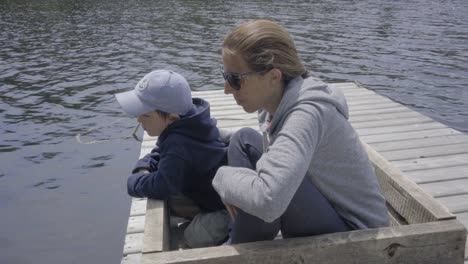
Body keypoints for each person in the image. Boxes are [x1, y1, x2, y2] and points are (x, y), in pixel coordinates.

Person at [212, 20, 390, 244]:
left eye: (234, 80)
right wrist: (209, 133)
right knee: (242, 139)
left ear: (273, 77)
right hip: (325, 206)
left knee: (266, 189)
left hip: (357, 238)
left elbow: (269, 200)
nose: (227, 90)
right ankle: (243, 241)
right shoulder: (275, 103)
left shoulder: (305, 114)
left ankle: (238, 248)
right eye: (225, 76)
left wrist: (220, 178)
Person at [115, 69, 229, 247]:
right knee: (173, 199)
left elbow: (162, 185)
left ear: (172, 118)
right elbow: (159, 152)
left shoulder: (179, 144)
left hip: (226, 208)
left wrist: (134, 182)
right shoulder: (188, 124)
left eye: (145, 115)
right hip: (210, 192)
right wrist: (143, 167)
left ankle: (225, 228)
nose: (139, 120)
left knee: (192, 238)